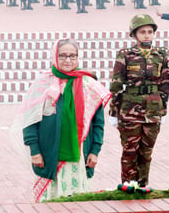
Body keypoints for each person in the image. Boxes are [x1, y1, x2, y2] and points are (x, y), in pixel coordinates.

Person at [19, 38, 110, 202]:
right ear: (55, 57)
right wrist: (34, 151)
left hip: (80, 155)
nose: (68, 60)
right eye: (62, 56)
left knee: (77, 205)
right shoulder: (43, 83)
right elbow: (30, 120)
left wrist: (95, 151)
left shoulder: (88, 84)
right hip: (49, 153)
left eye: (72, 56)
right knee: (49, 206)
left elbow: (98, 123)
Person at [108, 14, 169, 191]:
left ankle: (143, 185)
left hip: (153, 110)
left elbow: (165, 84)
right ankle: (128, 186)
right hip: (130, 110)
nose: (147, 35)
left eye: (150, 32)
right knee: (130, 151)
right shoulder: (125, 55)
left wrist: (163, 110)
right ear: (134, 35)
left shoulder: (161, 55)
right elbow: (116, 85)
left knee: (146, 152)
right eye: (142, 32)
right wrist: (114, 112)